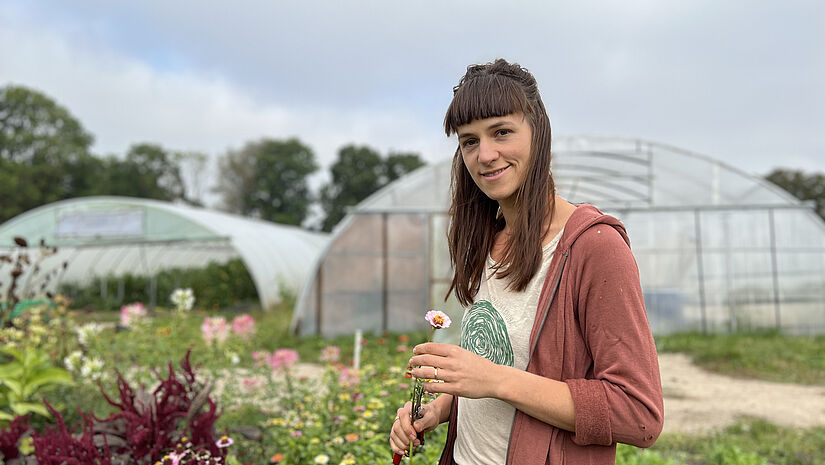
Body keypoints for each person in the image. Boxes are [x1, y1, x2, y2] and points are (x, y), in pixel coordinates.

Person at [388, 58, 664, 464]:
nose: (485, 154)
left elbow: (638, 414)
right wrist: (441, 408)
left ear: (539, 134)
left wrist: (494, 380)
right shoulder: (490, 241)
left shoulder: (596, 248)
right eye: (469, 141)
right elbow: (499, 367)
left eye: (502, 132)